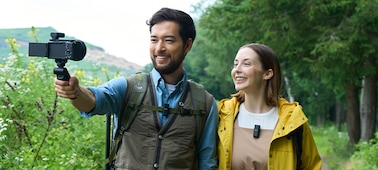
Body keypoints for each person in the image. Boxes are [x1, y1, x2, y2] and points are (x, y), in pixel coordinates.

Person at [54, 7, 219, 170]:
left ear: (187, 45)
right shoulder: (129, 88)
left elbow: (207, 162)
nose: (159, 48)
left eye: (168, 40)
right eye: (154, 40)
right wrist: (75, 93)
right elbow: (93, 100)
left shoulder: (204, 102)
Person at [217, 43, 322, 170]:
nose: (237, 70)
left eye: (246, 64)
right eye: (235, 64)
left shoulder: (293, 120)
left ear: (267, 74)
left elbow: (312, 166)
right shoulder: (221, 115)